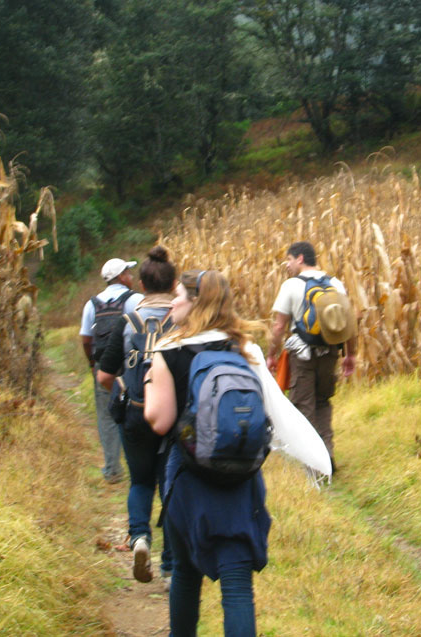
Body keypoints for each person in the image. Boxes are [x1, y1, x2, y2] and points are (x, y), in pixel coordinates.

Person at [145, 270, 270, 637]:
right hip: (241, 478)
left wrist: (152, 381)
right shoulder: (245, 348)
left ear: (197, 302)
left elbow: (159, 420)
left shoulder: (169, 348)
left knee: (185, 573)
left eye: (179, 295)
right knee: (237, 586)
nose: (173, 301)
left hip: (188, 477)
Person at [96, 246, 176, 587]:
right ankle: (171, 565)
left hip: (135, 414)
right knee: (172, 486)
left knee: (141, 481)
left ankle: (140, 536)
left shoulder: (128, 323)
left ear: (141, 284)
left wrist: (125, 386)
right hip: (173, 418)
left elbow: (103, 376)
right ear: (173, 284)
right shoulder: (182, 320)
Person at [266, 241, 356, 472]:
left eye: (288, 259)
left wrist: (271, 356)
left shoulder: (291, 285)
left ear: (300, 259)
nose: (287, 265)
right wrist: (350, 355)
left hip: (302, 354)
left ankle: (313, 465)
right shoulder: (336, 283)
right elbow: (348, 322)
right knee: (323, 402)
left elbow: (278, 327)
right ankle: (327, 454)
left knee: (303, 405)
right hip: (330, 352)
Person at [80, 257, 142, 483]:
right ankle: (137, 463)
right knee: (134, 411)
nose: (132, 277)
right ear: (122, 277)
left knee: (106, 415)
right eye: (129, 273)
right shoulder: (135, 300)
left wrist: (92, 363)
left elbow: (86, 339)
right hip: (130, 363)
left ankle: (112, 469)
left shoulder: (92, 304)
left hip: (103, 365)